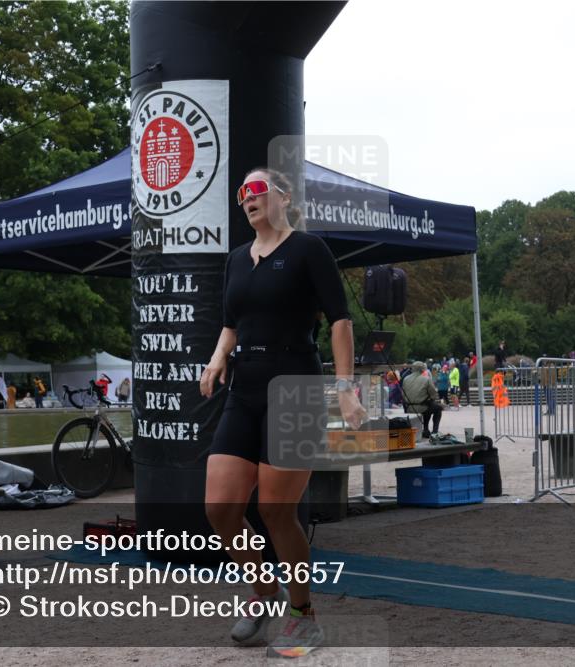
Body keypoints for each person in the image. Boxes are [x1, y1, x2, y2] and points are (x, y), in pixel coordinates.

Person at [199, 166, 366, 658]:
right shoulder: (236, 260)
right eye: (241, 194)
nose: (247, 199)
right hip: (244, 389)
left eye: (255, 190)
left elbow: (340, 319)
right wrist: (215, 361)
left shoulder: (308, 250)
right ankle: (263, 592)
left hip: (295, 388)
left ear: (282, 196)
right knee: (221, 509)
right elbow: (232, 325)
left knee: (275, 511)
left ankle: (302, 615)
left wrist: (344, 388)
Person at [402, 360, 443, 438]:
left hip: (409, 408)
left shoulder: (405, 379)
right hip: (422, 407)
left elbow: (403, 395)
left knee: (428, 406)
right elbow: (433, 395)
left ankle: (426, 430)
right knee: (437, 409)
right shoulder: (426, 379)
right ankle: (434, 432)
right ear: (422, 369)